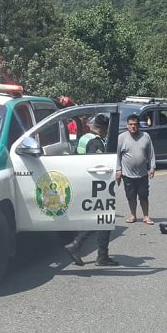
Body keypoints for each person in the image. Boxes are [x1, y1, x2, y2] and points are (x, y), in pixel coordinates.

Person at [63, 114, 119, 266]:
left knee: (100, 219)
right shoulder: (96, 143)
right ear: (103, 129)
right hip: (96, 184)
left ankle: (99, 254)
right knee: (102, 219)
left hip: (85, 182)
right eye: (106, 131)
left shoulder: (84, 138)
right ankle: (79, 246)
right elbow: (99, 165)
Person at [116, 114, 157, 225]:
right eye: (131, 124)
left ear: (138, 125)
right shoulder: (121, 138)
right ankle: (133, 215)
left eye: (135, 124)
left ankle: (146, 216)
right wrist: (118, 170)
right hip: (127, 174)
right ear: (127, 125)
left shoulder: (145, 136)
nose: (133, 126)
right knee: (131, 196)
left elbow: (151, 153)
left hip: (142, 173)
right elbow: (117, 156)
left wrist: (152, 167)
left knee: (143, 195)